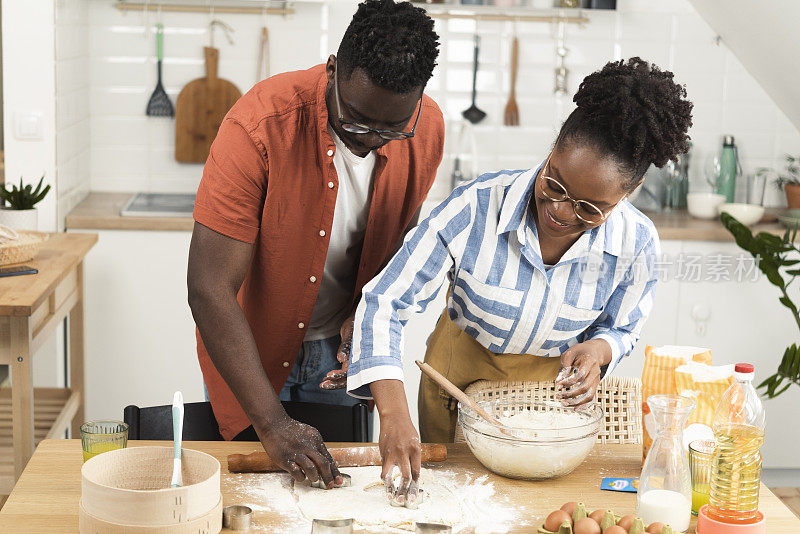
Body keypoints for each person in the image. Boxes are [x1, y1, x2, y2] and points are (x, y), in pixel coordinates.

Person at [344, 57, 693, 505]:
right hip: (455, 390)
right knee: (456, 503)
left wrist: (599, 350)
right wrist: (392, 414)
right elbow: (383, 303)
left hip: (549, 411)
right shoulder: (475, 208)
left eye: (590, 209)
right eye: (556, 185)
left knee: (531, 511)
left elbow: (622, 328)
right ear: (552, 151)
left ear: (631, 191)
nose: (562, 214)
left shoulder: (636, 242)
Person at [187, 0, 443, 490]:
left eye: (392, 128)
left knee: (340, 500)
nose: (371, 140)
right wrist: (273, 424)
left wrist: (360, 322)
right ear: (332, 72)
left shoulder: (427, 128)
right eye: (358, 121)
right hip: (252, 352)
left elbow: (399, 236)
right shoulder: (259, 125)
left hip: (343, 359)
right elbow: (208, 288)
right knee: (253, 500)